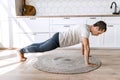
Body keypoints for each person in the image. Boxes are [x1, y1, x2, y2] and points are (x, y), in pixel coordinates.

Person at [17, 21, 107, 66]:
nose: (98, 35)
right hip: (58, 40)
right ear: (96, 28)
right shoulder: (86, 30)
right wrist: (87, 63)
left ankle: (21, 50)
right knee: (40, 48)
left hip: (58, 36)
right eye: (99, 33)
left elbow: (84, 45)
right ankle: (21, 51)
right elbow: (87, 47)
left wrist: (83, 54)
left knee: (40, 45)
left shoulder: (86, 28)